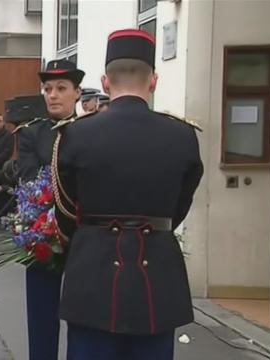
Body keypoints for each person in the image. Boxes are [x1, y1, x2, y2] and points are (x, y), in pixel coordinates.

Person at [56, 29, 203, 360]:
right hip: (157, 279)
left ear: (105, 82)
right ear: (153, 81)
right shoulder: (183, 136)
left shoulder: (76, 135)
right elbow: (180, 205)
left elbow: (65, 211)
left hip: (91, 275)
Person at [14, 58, 85, 360]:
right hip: (45, 233)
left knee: (84, 316)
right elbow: (30, 178)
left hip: (86, 236)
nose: (53, 94)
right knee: (42, 316)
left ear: (77, 92)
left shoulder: (92, 130)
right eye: (47, 88)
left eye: (61, 88)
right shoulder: (31, 133)